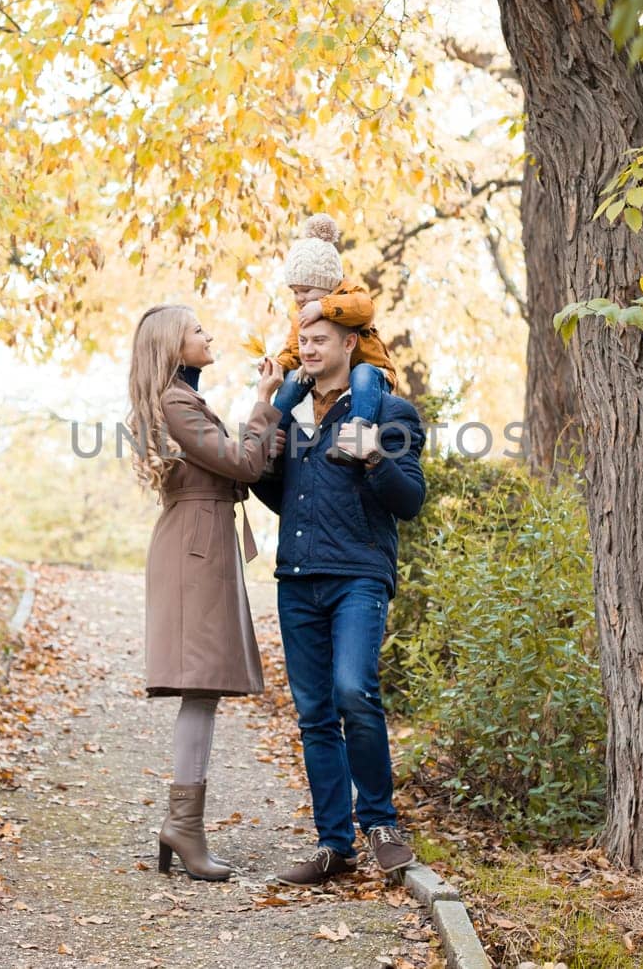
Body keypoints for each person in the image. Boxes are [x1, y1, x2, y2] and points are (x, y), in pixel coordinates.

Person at [252, 317, 427, 885]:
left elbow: (411, 501)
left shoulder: (389, 412)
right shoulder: (295, 411)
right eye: (303, 340)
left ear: (350, 344)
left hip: (358, 573)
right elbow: (284, 497)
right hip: (298, 578)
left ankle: (380, 824)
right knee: (315, 716)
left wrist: (374, 455)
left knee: (354, 689)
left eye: (320, 340)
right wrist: (267, 456)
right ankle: (334, 846)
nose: (307, 348)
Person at [127, 304, 285, 882]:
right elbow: (243, 464)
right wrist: (265, 398)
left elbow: (238, 464)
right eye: (197, 330)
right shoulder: (176, 403)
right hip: (195, 550)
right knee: (201, 688)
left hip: (202, 545)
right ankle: (183, 827)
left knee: (205, 691)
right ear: (174, 345)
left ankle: (183, 826)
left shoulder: (180, 401)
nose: (209, 334)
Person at [271, 214, 399, 464]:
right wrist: (279, 364)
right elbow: (294, 349)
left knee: (361, 372)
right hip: (329, 376)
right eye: (295, 292)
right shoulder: (301, 316)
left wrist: (323, 307)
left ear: (328, 285)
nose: (299, 298)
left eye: (306, 290)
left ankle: (356, 435)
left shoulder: (349, 295)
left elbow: (365, 309)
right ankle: (274, 442)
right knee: (290, 383)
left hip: (372, 373)